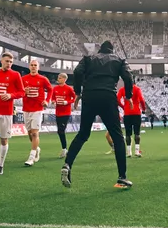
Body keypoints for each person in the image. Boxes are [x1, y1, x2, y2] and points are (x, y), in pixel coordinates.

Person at [61, 41, 134, 189]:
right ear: (112, 50)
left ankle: (67, 164)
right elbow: (128, 76)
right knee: (117, 137)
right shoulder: (119, 60)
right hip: (108, 96)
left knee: (83, 134)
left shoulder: (88, 58)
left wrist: (77, 93)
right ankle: (122, 177)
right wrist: (128, 95)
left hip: (89, 96)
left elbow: (77, 72)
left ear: (100, 49)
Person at [21, 60, 53, 166]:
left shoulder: (43, 79)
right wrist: (23, 92)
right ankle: (37, 149)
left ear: (38, 67)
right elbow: (18, 91)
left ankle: (31, 157)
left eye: (35, 65)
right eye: (32, 65)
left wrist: (47, 100)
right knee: (30, 134)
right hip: (26, 109)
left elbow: (50, 90)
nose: (33, 67)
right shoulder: (23, 79)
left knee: (35, 133)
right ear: (29, 67)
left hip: (38, 109)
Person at [117, 83, 147, 158]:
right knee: (137, 133)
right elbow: (142, 100)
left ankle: (129, 152)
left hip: (127, 113)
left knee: (128, 133)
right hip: (136, 113)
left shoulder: (122, 89)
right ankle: (137, 151)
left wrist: (123, 106)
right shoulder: (137, 89)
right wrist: (143, 109)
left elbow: (117, 99)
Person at [50, 73, 75, 158]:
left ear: (64, 79)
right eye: (58, 78)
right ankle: (65, 149)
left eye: (60, 78)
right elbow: (52, 97)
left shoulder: (68, 89)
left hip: (66, 113)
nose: (58, 79)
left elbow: (74, 98)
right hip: (58, 112)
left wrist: (67, 102)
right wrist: (53, 101)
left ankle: (64, 149)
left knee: (61, 130)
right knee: (59, 131)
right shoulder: (55, 88)